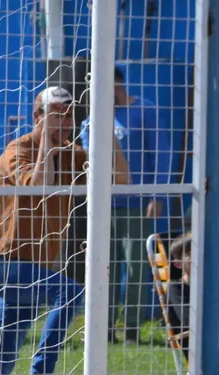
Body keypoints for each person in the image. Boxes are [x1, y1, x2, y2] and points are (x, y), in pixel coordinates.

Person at [0, 87, 131, 375]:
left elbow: (120, 178)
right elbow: (41, 186)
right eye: (56, 114)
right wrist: (47, 140)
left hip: (36, 268)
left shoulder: (73, 154)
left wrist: (106, 131)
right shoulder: (18, 149)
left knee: (2, 351)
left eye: (68, 115)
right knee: (74, 292)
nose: (64, 122)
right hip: (2, 262)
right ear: (38, 117)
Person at [80, 67, 173, 343]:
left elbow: (162, 154)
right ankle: (104, 328)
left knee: (135, 266)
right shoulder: (92, 121)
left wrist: (158, 196)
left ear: (116, 87)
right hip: (103, 205)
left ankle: (131, 327)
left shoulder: (145, 111)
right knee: (103, 265)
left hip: (136, 203)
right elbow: (87, 160)